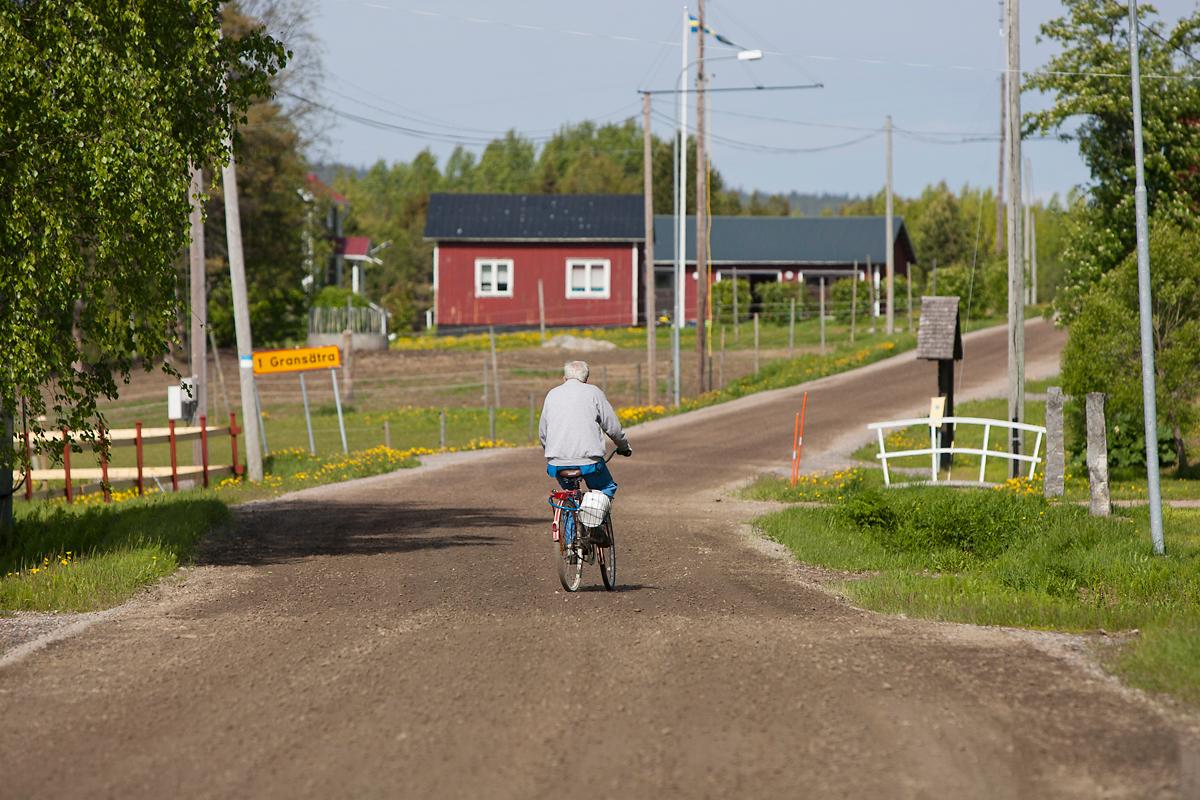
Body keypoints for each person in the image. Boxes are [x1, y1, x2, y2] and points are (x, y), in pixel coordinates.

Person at [539, 360, 632, 543]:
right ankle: (594, 527)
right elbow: (612, 427)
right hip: (589, 462)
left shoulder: (552, 395)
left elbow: (543, 433)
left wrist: (553, 451)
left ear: (564, 378)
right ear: (586, 378)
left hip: (557, 463)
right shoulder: (593, 393)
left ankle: (571, 543)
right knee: (606, 487)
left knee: (569, 496)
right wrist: (623, 446)